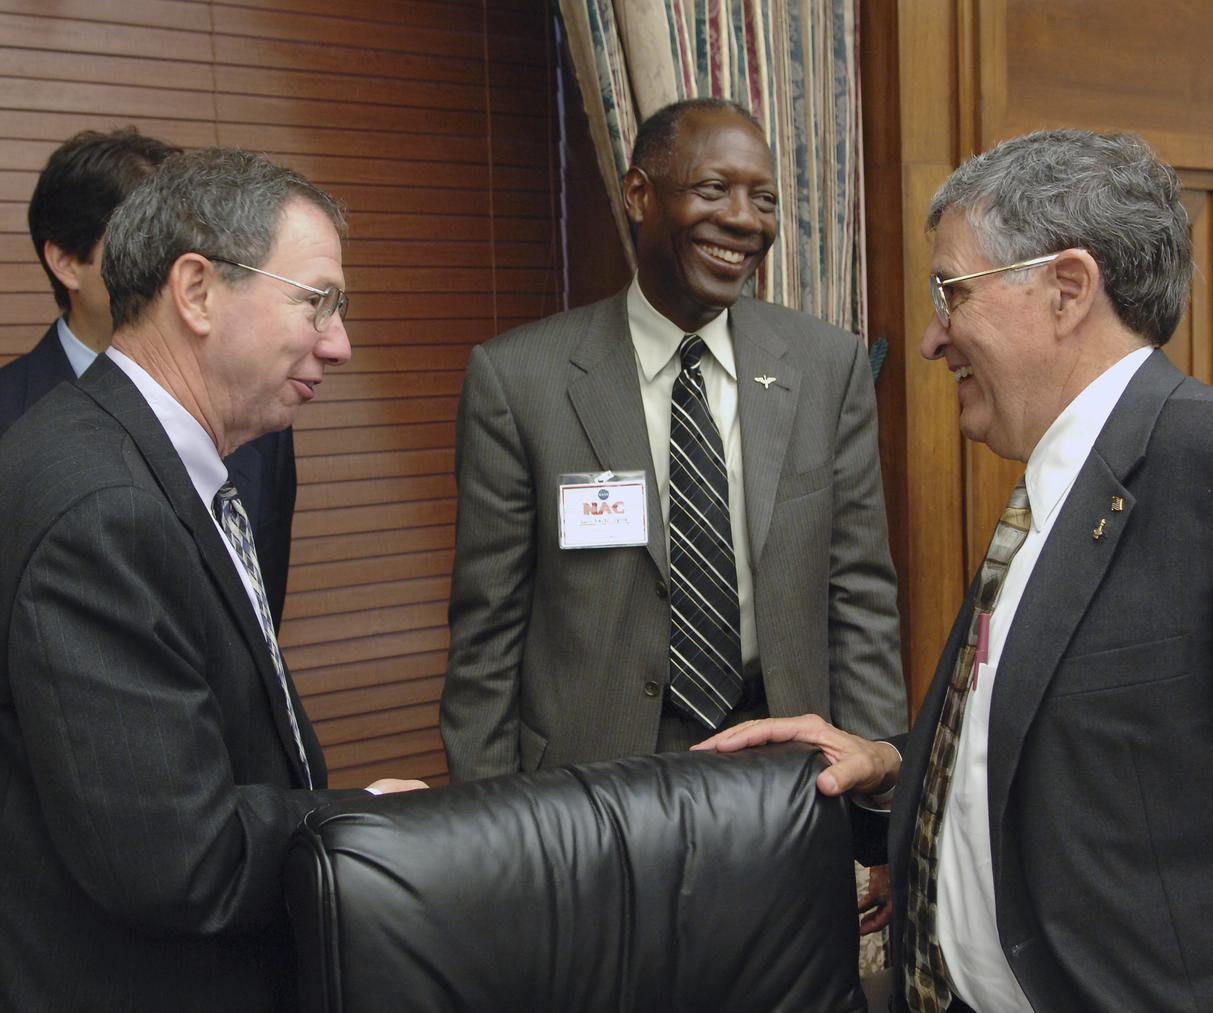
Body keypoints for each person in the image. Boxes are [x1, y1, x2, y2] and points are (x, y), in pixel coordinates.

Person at [699, 129, 1213, 1011]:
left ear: (1067, 289)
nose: (932, 338)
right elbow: (1082, 752)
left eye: (950, 292)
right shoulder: (1048, 488)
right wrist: (895, 766)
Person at [0, 148, 425, 1011]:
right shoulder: (103, 506)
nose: (339, 344)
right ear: (196, 291)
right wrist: (357, 819)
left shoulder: (151, 458)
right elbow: (174, 856)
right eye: (317, 302)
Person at [441, 97, 904, 783]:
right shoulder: (520, 380)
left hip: (787, 775)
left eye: (765, 199)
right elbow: (488, 634)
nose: (743, 219)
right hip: (588, 785)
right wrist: (489, 829)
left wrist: (877, 796)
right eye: (713, 189)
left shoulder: (826, 366)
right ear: (639, 194)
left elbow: (859, 593)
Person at [0, 127, 297, 627]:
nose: (174, 266)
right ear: (67, 262)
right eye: (137, 238)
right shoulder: (9, 418)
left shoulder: (255, 411)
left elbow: (262, 622)